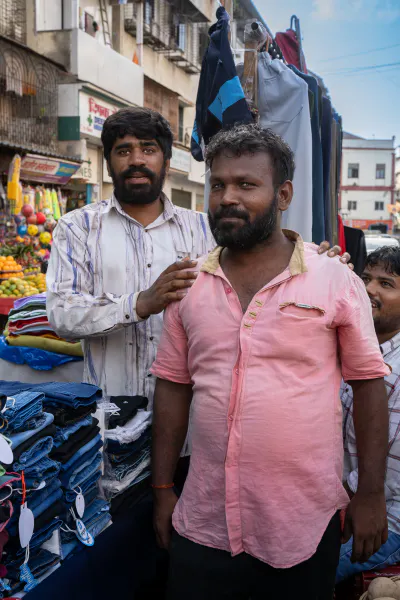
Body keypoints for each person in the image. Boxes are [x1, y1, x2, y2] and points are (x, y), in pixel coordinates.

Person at [150, 124, 390, 600]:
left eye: (245, 184)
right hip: (204, 521)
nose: (226, 197)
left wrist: (370, 493)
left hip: (302, 523)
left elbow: (368, 386)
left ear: (283, 194)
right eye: (217, 184)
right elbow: (174, 386)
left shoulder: (334, 281)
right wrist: (161, 488)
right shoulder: (189, 284)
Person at [46, 107, 346, 405]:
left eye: (148, 149)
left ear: (166, 161)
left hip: (195, 419)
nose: (136, 160)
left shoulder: (209, 228)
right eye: (123, 151)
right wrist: (138, 303)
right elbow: (62, 315)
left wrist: (318, 260)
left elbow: (263, 267)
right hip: (109, 420)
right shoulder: (77, 228)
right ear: (109, 163)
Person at [337, 246, 400, 582]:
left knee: (308, 574)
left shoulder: (396, 369)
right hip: (346, 506)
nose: (369, 290)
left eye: (386, 284)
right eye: (365, 279)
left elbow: (390, 473)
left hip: (388, 518)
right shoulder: (348, 345)